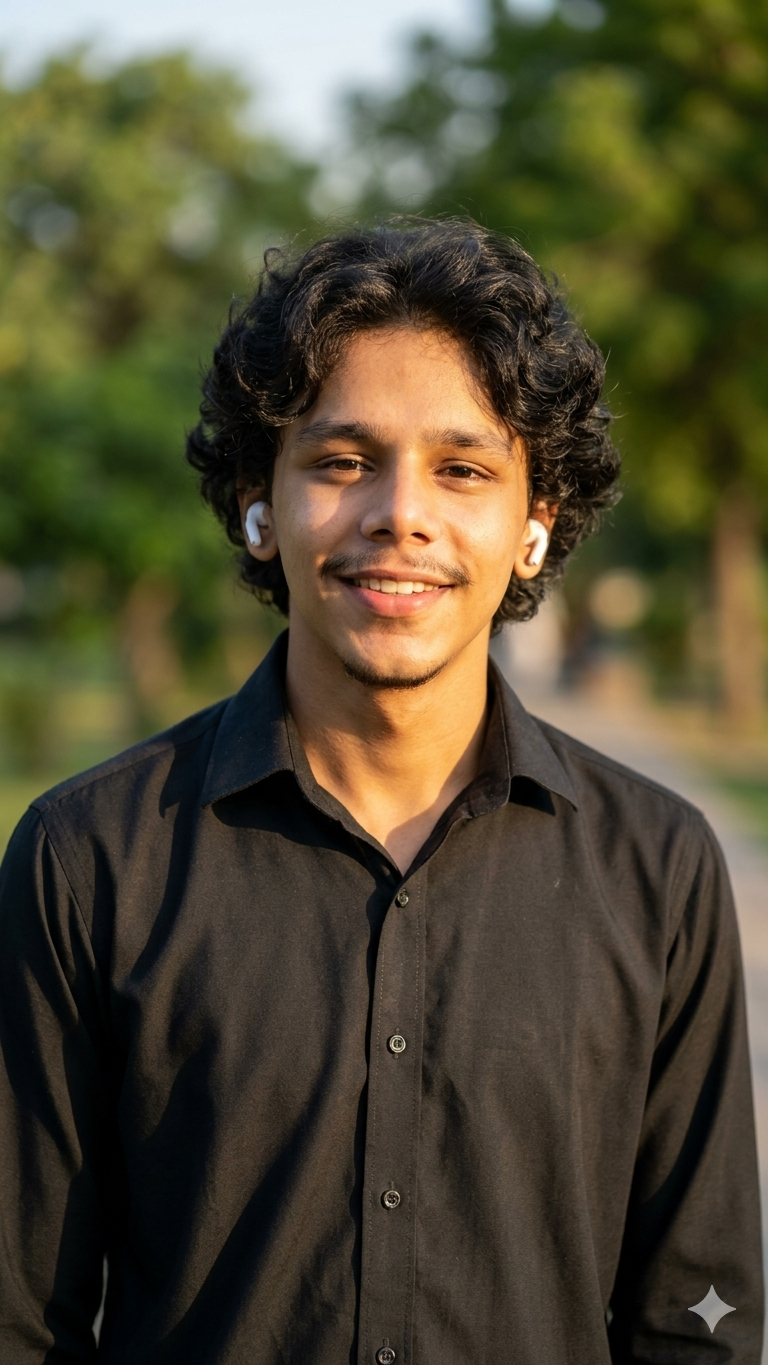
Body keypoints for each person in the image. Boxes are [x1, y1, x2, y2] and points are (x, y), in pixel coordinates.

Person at [0, 219, 762, 1364]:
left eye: (463, 469)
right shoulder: (88, 859)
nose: (400, 514)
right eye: (343, 461)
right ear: (262, 502)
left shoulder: (659, 868)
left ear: (533, 527)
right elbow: (20, 1321)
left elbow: (698, 1319)